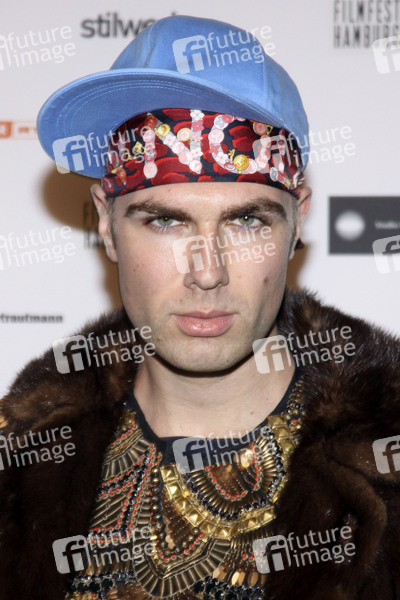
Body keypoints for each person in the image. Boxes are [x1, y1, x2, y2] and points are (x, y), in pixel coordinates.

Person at [0, 14, 399, 600]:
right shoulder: (20, 459)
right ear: (106, 224)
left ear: (297, 224)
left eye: (247, 220)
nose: (208, 272)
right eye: (165, 221)